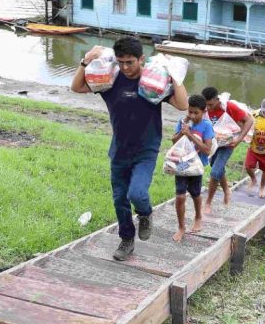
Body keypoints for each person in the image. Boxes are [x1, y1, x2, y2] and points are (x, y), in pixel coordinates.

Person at [71, 37, 189, 261]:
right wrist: (85, 61)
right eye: (121, 62)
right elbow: (76, 87)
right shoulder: (110, 79)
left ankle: (145, 214)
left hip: (146, 150)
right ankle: (126, 240)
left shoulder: (154, 81)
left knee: (137, 193)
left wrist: (173, 73)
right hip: (119, 151)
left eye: (130, 62)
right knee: (119, 199)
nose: (125, 67)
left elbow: (183, 105)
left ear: (141, 59)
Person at [202, 86, 254, 215]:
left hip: (228, 144)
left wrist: (239, 139)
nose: (208, 108)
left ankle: (208, 202)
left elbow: (249, 120)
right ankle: (226, 190)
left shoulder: (229, 107)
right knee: (217, 168)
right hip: (214, 144)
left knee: (214, 172)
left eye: (211, 104)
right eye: (206, 104)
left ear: (217, 99)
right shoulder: (204, 108)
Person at [171, 95, 216, 241]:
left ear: (204, 111)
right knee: (180, 196)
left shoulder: (206, 126)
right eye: (190, 112)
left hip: (196, 166)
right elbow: (174, 141)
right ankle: (181, 227)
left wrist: (190, 135)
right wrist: (182, 131)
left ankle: (198, 216)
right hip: (182, 164)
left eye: (196, 113)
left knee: (196, 194)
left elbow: (207, 150)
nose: (192, 115)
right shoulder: (184, 122)